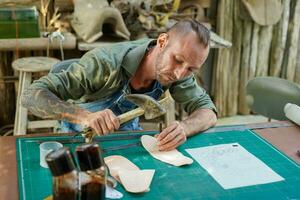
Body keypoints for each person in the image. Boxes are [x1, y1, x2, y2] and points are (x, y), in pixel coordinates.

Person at [21, 19, 217, 151]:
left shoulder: (181, 70)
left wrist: (185, 127)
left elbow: (208, 111)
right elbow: (30, 95)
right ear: (163, 41)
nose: (179, 73)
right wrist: (85, 116)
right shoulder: (104, 63)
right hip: (79, 138)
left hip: (128, 136)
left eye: (191, 69)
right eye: (177, 60)